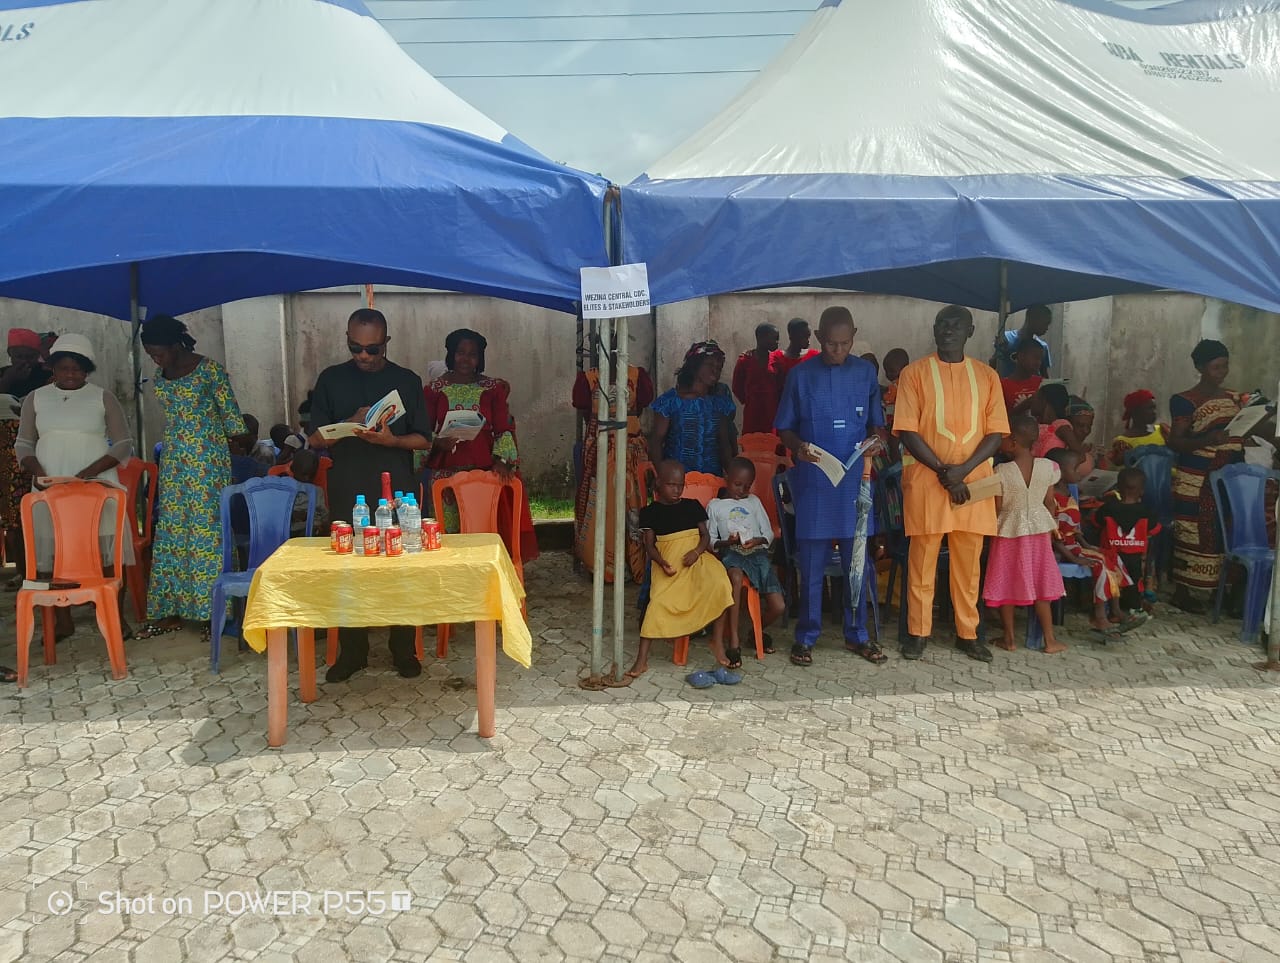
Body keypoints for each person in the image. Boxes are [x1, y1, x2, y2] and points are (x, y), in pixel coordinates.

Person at [309, 308, 432, 680]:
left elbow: (423, 439)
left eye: (372, 349)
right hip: (348, 486)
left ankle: (403, 649)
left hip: (397, 490)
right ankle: (353, 653)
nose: (363, 356)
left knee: (400, 567)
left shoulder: (406, 381)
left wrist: (392, 440)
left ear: (386, 343)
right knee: (349, 570)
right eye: (355, 348)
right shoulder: (331, 379)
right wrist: (350, 423)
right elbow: (315, 439)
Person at [894, 304, 1010, 662]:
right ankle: (918, 632)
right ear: (934, 329)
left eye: (957, 325)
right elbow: (907, 431)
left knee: (968, 564)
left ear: (970, 331)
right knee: (922, 561)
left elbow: (996, 433)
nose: (948, 330)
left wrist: (962, 471)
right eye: (942, 324)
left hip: (972, 484)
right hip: (927, 482)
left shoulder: (987, 376)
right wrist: (946, 472)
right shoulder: (914, 374)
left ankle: (968, 633)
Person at [775, 306, 886, 666]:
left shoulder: (866, 373)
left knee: (858, 564)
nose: (838, 351)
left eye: (845, 343)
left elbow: (877, 426)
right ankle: (806, 637)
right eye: (831, 344)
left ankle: (858, 635)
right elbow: (785, 427)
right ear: (819, 337)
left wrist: (876, 441)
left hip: (855, 485)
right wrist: (798, 447)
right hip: (815, 484)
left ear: (854, 336)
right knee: (811, 565)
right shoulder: (800, 376)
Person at [14, 333, 136, 641]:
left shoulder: (102, 397)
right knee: (53, 551)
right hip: (50, 486)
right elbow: (23, 444)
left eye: (78, 369)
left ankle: (114, 616)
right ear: (52, 368)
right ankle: (62, 620)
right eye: (64, 368)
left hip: (97, 483)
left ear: (87, 370)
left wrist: (90, 472)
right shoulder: (35, 398)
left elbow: (123, 443)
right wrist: (38, 473)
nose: (71, 374)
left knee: (106, 551)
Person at [137, 316, 247, 639]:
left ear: (176, 345)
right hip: (174, 463)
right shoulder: (160, 377)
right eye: (150, 354)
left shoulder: (210, 371)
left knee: (207, 532)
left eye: (159, 353)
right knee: (173, 530)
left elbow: (233, 422)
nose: (156, 360)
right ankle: (173, 608)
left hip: (208, 463)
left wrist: (239, 444)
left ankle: (214, 612)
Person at [423, 328, 538, 562]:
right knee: (449, 538)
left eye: (472, 354)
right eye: (460, 353)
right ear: (451, 354)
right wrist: (438, 443)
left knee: (483, 533)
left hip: (484, 474)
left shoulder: (493, 388)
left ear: (480, 358)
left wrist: (503, 461)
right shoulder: (433, 389)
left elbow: (503, 428)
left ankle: (485, 576)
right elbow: (423, 433)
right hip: (445, 475)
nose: (465, 359)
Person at [627, 460, 734, 679]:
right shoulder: (650, 512)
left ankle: (717, 640)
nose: (677, 490)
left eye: (680, 485)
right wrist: (662, 562)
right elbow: (649, 546)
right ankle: (642, 659)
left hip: (697, 560)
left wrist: (696, 552)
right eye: (671, 485)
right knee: (657, 603)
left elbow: (705, 536)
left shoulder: (692, 506)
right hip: (669, 565)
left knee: (721, 583)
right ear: (658, 484)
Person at [1168, 339, 1245, 613]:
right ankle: (1183, 592)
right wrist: (1208, 440)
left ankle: (1220, 590)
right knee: (1193, 530)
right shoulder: (1184, 401)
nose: (1222, 372)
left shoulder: (1235, 398)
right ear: (1201, 367)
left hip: (1229, 476)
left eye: (1225, 366)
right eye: (1216, 367)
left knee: (1225, 529)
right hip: (1197, 478)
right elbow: (1176, 442)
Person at [983, 415, 1066, 654]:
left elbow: (998, 507)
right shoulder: (1049, 467)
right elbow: (1049, 502)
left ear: (1014, 442)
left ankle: (1009, 639)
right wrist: (1051, 526)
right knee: (1040, 583)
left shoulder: (1001, 471)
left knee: (1006, 583)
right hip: (1039, 530)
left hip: (1008, 531)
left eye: (1003, 437)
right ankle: (1050, 640)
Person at [572, 351, 655, 583]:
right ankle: (602, 565)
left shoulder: (637, 375)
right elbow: (585, 411)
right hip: (600, 451)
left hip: (631, 450)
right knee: (603, 504)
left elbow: (640, 407)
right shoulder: (588, 379)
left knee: (633, 505)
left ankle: (634, 562)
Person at [1047, 448, 1136, 635]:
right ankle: (1099, 617)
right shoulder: (1052, 499)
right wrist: (1074, 558)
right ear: (1059, 472)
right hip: (1060, 550)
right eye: (1075, 468)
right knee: (1100, 564)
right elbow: (1053, 535)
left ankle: (1115, 610)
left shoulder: (1068, 493)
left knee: (1112, 557)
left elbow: (1074, 528)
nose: (1080, 472)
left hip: (1073, 545)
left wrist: (1088, 545)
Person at [707, 458, 786, 666]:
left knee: (778, 606)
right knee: (735, 575)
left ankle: (754, 632)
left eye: (747, 486)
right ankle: (734, 641)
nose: (742, 490)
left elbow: (768, 533)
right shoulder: (715, 506)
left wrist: (757, 540)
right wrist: (728, 542)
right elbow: (710, 541)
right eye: (737, 484)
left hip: (757, 555)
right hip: (731, 552)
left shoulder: (754, 502)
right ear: (726, 477)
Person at [0, 328, 53, 583]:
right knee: (14, 518)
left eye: (30, 356)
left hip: (41, 454)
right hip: (7, 458)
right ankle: (23, 572)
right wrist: (7, 382)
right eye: (19, 356)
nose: (24, 361)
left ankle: (50, 567)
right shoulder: (2, 375)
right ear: (9, 354)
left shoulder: (49, 376)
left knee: (46, 512)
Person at [648, 341, 735, 476]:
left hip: (712, 480)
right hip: (678, 481)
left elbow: (724, 444)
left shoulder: (719, 404)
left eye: (719, 367)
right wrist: (663, 475)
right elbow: (656, 443)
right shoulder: (670, 402)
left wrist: (733, 476)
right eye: (710, 365)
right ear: (695, 366)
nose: (715, 371)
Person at [1096, 467, 1160, 624]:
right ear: (1142, 491)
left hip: (1112, 555)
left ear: (1118, 487)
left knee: (1113, 582)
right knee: (1134, 582)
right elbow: (1155, 529)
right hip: (1134, 556)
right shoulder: (1146, 512)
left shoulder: (1108, 509)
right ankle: (1133, 608)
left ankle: (1112, 611)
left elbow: (1096, 522)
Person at [731, 322, 784, 435]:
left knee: (772, 443)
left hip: (772, 415)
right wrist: (749, 399)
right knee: (751, 442)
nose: (777, 342)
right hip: (752, 415)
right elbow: (736, 386)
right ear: (761, 338)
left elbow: (781, 386)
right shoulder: (744, 361)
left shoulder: (777, 360)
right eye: (774, 338)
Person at [1108, 389, 1168, 466]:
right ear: (1135, 412)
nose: (1154, 412)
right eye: (1149, 408)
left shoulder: (1163, 431)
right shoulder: (1122, 443)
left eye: (1154, 408)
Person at [991, 304, 1052, 377]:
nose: (1047, 328)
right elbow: (992, 366)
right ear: (1032, 319)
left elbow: (1044, 377)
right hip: (1005, 384)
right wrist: (1000, 351)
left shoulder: (1042, 347)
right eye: (1045, 323)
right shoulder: (1006, 338)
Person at [288, 449, 330, 537]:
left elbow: (324, 516)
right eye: (304, 474)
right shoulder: (285, 489)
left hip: (309, 528)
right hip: (293, 528)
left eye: (311, 475)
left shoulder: (317, 491)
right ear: (292, 469)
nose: (307, 478)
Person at [1029, 383, 1078, 458]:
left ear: (1044, 400)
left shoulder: (1061, 426)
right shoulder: (1035, 424)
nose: (1030, 402)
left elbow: (1079, 454)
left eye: (1034, 398)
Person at [1000, 338, 1045, 415]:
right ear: (1021, 356)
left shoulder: (1042, 383)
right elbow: (1000, 418)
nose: (1039, 363)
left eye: (1040, 359)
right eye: (1035, 358)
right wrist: (1025, 405)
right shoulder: (1002, 386)